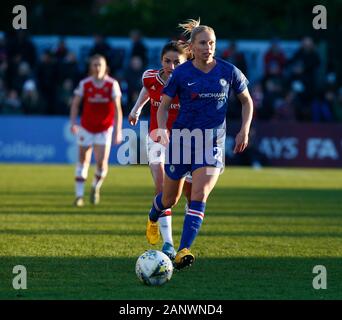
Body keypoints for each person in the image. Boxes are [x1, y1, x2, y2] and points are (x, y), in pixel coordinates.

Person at [146, 18, 253, 270]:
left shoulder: (229, 71)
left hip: (212, 144)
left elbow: (247, 101)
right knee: (169, 199)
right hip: (182, 141)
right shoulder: (181, 73)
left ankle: (183, 250)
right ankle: (153, 216)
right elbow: (163, 107)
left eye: (212, 43)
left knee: (199, 194)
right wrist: (162, 129)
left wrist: (244, 130)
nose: (208, 47)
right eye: (203, 43)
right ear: (192, 47)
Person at [128, 41, 192, 259]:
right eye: (167, 61)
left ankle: (156, 216)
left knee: (187, 195)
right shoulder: (150, 77)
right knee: (163, 189)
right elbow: (147, 90)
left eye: (177, 62)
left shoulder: (191, 81)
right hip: (157, 138)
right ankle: (169, 244)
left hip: (185, 141)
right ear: (161, 60)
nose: (172, 66)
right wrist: (136, 109)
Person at [70, 54, 123, 207]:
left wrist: (117, 131)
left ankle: (95, 187)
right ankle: (79, 196)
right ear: (91, 67)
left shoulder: (112, 84)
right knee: (83, 160)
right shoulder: (85, 84)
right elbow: (75, 104)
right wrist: (73, 123)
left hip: (104, 129)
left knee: (101, 164)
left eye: (100, 64)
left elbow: (118, 109)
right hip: (86, 128)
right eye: (95, 64)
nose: (97, 67)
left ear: (105, 67)